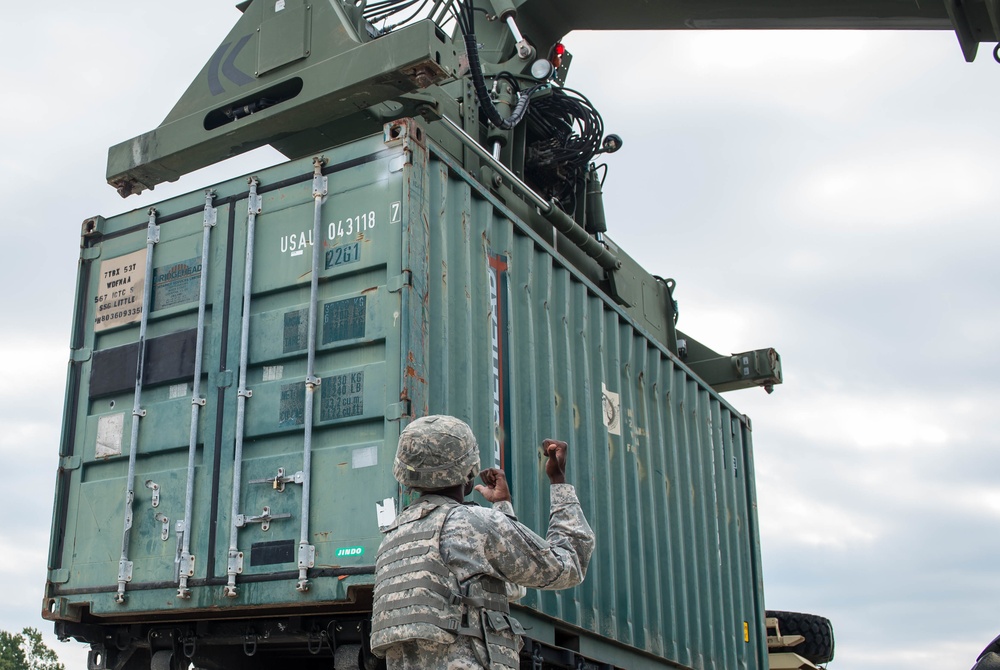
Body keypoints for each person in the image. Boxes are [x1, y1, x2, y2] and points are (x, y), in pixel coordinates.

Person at [371, 415, 595, 670]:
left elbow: (505, 587)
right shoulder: (473, 523)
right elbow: (568, 566)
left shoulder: (392, 539)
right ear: (469, 470)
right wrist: (559, 482)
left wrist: (502, 508)